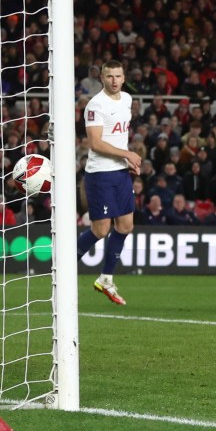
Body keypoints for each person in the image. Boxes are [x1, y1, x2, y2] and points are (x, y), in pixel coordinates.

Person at [75, 60, 141, 306]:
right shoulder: (95, 105)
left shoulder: (126, 100)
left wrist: (128, 160)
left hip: (121, 173)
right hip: (100, 174)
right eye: (109, 76)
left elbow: (119, 137)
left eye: (118, 76)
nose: (114, 80)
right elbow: (96, 143)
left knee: (125, 226)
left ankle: (106, 277)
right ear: (102, 78)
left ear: (124, 78)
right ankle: (64, 267)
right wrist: (128, 154)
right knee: (101, 230)